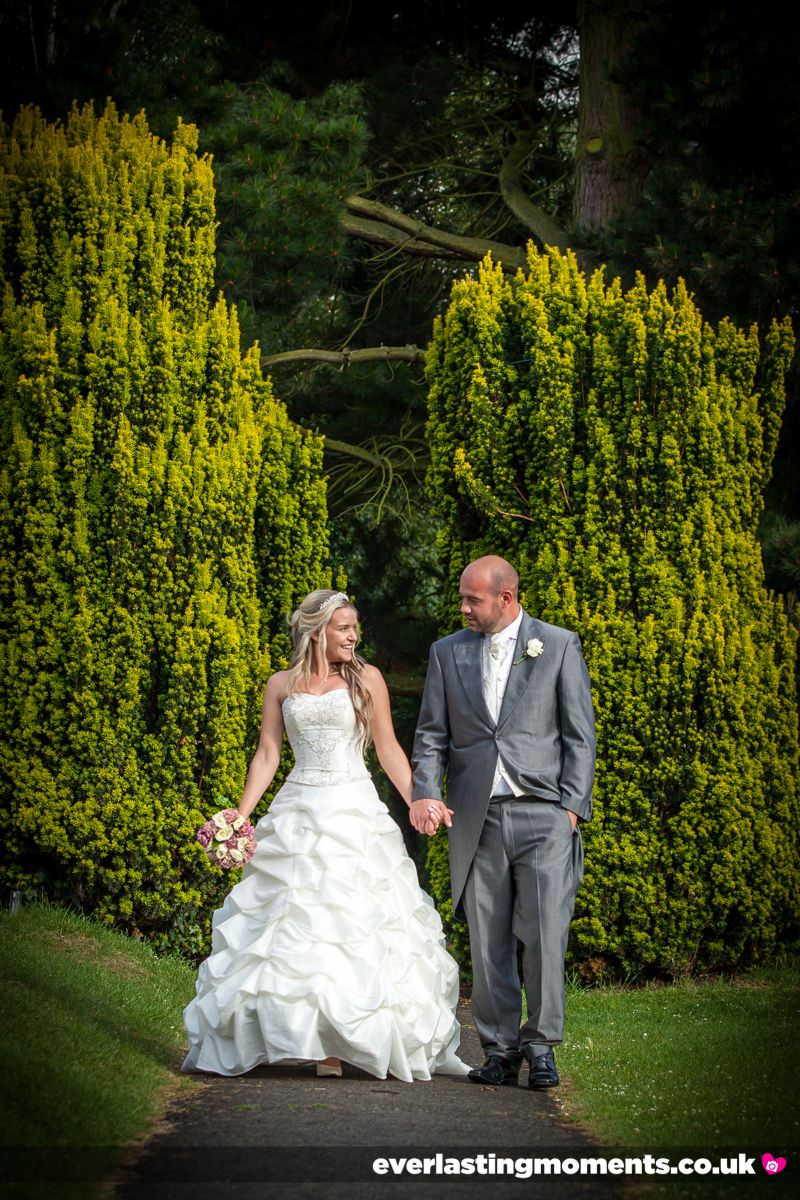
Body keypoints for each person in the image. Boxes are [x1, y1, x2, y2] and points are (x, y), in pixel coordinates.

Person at [182, 589, 470, 1082]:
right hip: (297, 808)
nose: (353, 636)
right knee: (294, 923)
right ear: (316, 632)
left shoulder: (367, 679)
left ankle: (351, 1039)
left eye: (355, 627)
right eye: (344, 628)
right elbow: (268, 753)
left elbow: (388, 749)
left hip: (352, 808)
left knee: (355, 921)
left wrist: (418, 799)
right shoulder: (280, 684)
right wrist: (240, 818)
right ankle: (308, 1040)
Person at [410, 556, 595, 1090]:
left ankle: (542, 1048)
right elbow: (431, 735)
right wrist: (427, 791)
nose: (464, 608)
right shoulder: (446, 652)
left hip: (544, 816)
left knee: (544, 937)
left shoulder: (557, 644)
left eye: (473, 599)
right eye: (463, 598)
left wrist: (569, 809)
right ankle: (499, 1049)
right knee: (487, 941)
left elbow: (579, 735)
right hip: (477, 819)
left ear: (506, 598)